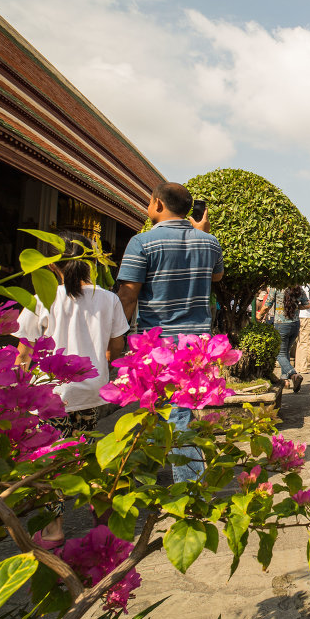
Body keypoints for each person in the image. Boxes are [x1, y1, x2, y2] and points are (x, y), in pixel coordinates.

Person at [17, 231, 129, 548]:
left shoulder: (40, 300)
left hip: (49, 396)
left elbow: (24, 352)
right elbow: (117, 345)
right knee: (84, 455)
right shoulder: (108, 299)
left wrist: (17, 392)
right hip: (90, 392)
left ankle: (53, 529)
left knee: (49, 464)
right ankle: (102, 518)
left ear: (50, 264)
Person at [117, 182, 223, 483]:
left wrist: (118, 340)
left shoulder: (141, 243)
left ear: (158, 205)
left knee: (164, 410)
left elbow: (127, 296)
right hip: (198, 345)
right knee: (178, 409)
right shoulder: (210, 242)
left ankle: (187, 486)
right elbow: (217, 276)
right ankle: (152, 474)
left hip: (157, 342)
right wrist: (202, 234)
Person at [269, 285, 304, 393]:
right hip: (295, 323)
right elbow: (306, 304)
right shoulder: (299, 288)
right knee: (285, 352)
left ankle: (293, 374)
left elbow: (267, 304)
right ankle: (285, 380)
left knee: (279, 353)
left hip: (281, 323)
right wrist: (295, 306)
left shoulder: (276, 287)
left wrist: (260, 314)